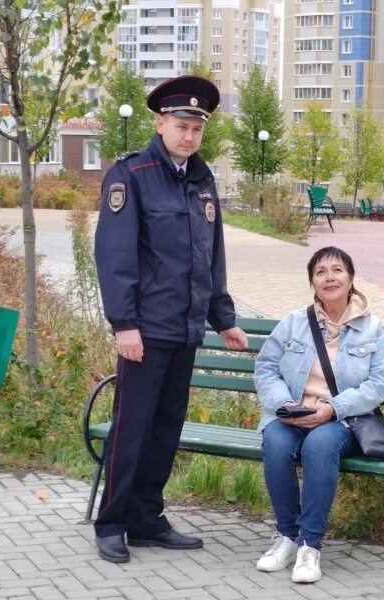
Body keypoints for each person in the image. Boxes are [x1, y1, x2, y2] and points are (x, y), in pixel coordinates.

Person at [93, 75, 248, 564]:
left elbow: (210, 256)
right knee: (132, 426)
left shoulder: (201, 181)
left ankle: (146, 518)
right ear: (160, 124)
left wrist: (222, 317)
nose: (189, 135)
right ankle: (112, 521)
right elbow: (114, 256)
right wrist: (124, 325)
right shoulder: (131, 175)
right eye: (181, 125)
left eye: (196, 129)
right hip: (145, 329)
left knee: (165, 427)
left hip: (185, 329)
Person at [253, 246, 384, 583]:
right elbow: (266, 368)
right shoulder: (293, 323)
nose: (329, 277)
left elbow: (378, 385)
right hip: (291, 415)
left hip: (342, 421)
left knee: (318, 445)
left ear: (351, 278)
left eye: (337, 270)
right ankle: (286, 536)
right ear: (312, 282)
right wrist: (284, 404)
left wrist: (332, 408)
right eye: (320, 272)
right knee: (273, 439)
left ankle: (309, 545)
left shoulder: (373, 329)